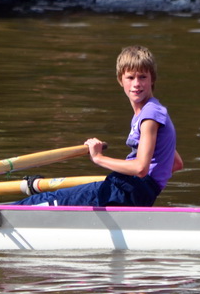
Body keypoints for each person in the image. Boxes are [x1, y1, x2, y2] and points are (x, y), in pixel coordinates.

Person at [11, 45, 183, 207]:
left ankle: (0, 215)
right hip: (130, 190)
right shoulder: (153, 111)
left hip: (127, 190)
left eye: (142, 77)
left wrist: (98, 157)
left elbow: (140, 168)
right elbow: (176, 163)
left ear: (152, 79)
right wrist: (148, 188)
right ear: (120, 80)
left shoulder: (150, 115)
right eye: (130, 77)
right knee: (57, 197)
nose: (136, 83)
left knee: (45, 201)